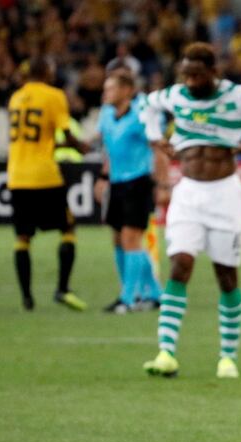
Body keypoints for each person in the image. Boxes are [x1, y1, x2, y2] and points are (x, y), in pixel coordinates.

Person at [140, 42, 241, 379]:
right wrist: (156, 138)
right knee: (180, 265)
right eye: (185, 75)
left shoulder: (235, 95)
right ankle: (166, 352)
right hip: (187, 193)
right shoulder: (176, 95)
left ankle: (227, 357)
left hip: (225, 195)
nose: (190, 82)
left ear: (213, 73)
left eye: (197, 75)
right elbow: (147, 106)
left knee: (226, 277)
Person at [7, 57, 90, 311]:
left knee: (23, 237)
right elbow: (65, 132)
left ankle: (27, 298)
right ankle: (62, 289)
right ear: (45, 71)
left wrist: (63, 146)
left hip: (17, 175)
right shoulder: (54, 95)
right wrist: (81, 147)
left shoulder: (16, 98)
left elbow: (40, 140)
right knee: (68, 230)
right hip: (45, 175)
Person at [95, 69, 168, 314]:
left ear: (127, 90)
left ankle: (128, 298)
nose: (106, 93)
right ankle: (156, 293)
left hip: (138, 182)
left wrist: (162, 184)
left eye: (111, 89)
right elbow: (108, 148)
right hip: (117, 183)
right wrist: (103, 177)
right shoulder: (106, 115)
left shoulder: (142, 114)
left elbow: (158, 149)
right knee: (119, 239)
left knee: (131, 238)